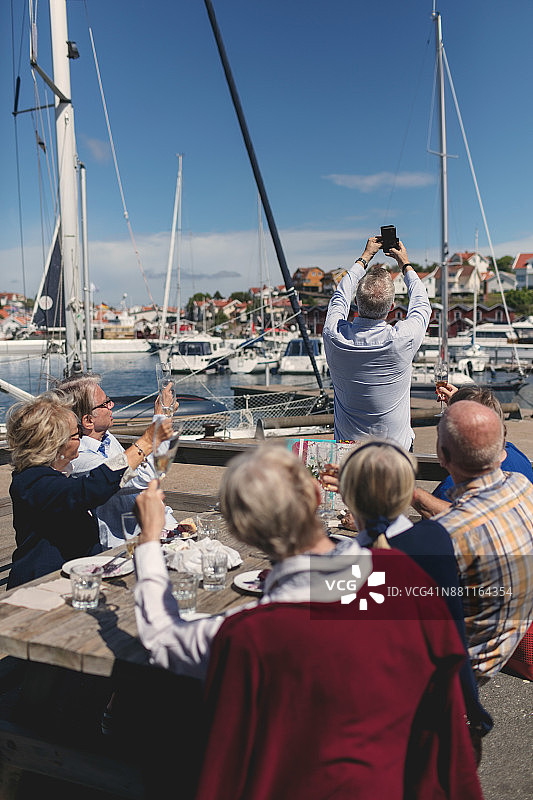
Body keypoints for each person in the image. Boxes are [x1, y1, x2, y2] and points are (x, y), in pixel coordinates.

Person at [133, 447, 483, 799]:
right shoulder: (406, 577)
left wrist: (149, 539)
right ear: (317, 496)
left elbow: (162, 638)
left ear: (241, 532)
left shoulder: (249, 636)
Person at [336, 439, 493, 751]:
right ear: (409, 491)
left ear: (346, 495)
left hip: (379, 721)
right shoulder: (435, 538)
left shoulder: (344, 565)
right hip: (440, 701)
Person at [5, 394, 171, 588]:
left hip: (78, 579)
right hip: (40, 586)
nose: (82, 439)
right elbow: (91, 489)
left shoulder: (58, 473)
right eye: (77, 435)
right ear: (54, 444)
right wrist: (146, 442)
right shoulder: (31, 481)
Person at [424, 400, 533, 682]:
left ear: (442, 456)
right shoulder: (521, 486)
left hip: (457, 670)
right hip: (502, 646)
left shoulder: (446, 535)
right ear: (502, 450)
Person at [322, 234, 431, 449]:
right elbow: (421, 304)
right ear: (391, 307)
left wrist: (364, 258)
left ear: (356, 302)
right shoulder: (402, 340)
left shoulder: (334, 336)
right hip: (395, 453)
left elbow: (339, 298)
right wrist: (405, 263)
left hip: (348, 452)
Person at [56, 374, 177, 548]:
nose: (111, 405)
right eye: (105, 403)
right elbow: (144, 477)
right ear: (88, 421)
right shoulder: (79, 458)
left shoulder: (106, 438)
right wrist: (161, 417)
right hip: (126, 545)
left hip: (159, 529)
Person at [414, 384, 533, 517]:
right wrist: (460, 402)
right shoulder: (517, 460)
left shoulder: (451, 489)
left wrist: (411, 493)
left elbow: (443, 519)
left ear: (443, 455)